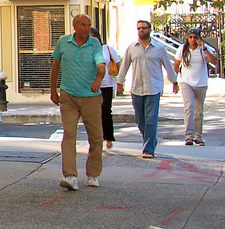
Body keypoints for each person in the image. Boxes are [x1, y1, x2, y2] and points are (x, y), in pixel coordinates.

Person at [51, 13, 106, 191]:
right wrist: (53, 90)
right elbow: (55, 67)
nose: (86, 28)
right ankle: (70, 175)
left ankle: (93, 174)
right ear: (75, 26)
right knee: (69, 134)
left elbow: (101, 65)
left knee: (96, 137)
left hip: (91, 98)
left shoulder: (94, 43)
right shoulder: (63, 42)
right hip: (69, 96)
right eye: (83, 25)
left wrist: (98, 80)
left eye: (88, 25)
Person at [116, 19, 178, 159]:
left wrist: (174, 81)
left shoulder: (159, 49)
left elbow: (168, 66)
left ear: (150, 30)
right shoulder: (132, 47)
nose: (141, 30)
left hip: (153, 88)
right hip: (137, 88)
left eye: (144, 28)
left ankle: (148, 149)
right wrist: (120, 82)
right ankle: (150, 140)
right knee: (140, 120)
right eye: (138, 28)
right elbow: (125, 65)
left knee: (151, 119)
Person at [174, 28, 216, 146]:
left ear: (199, 38)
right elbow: (176, 64)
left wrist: (204, 48)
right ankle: (189, 136)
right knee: (188, 108)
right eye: (190, 37)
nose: (193, 40)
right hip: (186, 83)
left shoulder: (203, 50)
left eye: (195, 37)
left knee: (199, 111)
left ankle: (198, 136)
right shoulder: (182, 49)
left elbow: (214, 62)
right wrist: (177, 79)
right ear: (187, 38)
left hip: (201, 83)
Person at [90, 27, 121, 150]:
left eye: (92, 36)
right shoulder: (85, 50)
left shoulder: (107, 49)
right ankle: (95, 139)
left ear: (98, 37)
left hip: (106, 85)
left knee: (106, 112)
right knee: (92, 114)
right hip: (90, 85)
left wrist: (120, 80)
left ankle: (108, 138)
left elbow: (118, 64)